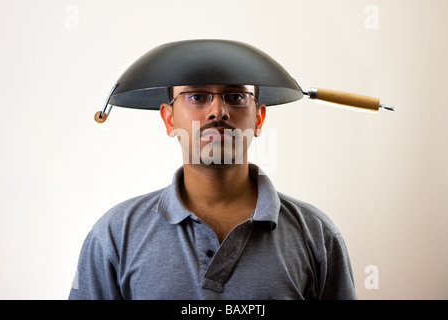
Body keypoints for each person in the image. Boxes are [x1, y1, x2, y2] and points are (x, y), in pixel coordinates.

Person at [69, 41, 357, 300]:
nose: (218, 111)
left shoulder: (316, 235)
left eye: (235, 96)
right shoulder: (116, 235)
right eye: (196, 97)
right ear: (169, 120)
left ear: (259, 118)